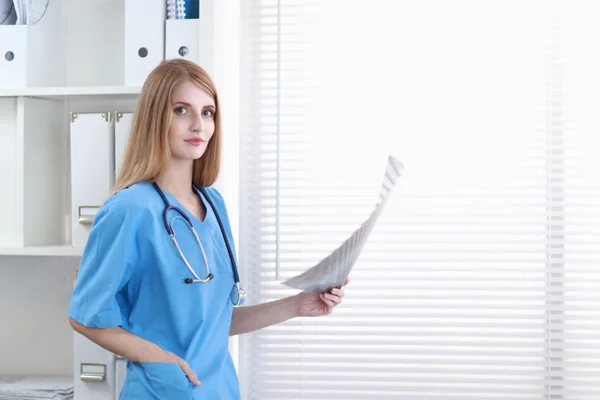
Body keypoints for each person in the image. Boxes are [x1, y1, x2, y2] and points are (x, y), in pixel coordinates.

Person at [67, 58, 348, 400]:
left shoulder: (213, 204)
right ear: (156, 118)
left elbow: (213, 324)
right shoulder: (130, 210)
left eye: (208, 112)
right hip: (162, 391)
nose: (198, 125)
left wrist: (297, 305)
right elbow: (84, 316)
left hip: (220, 390)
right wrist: (159, 358)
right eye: (182, 110)